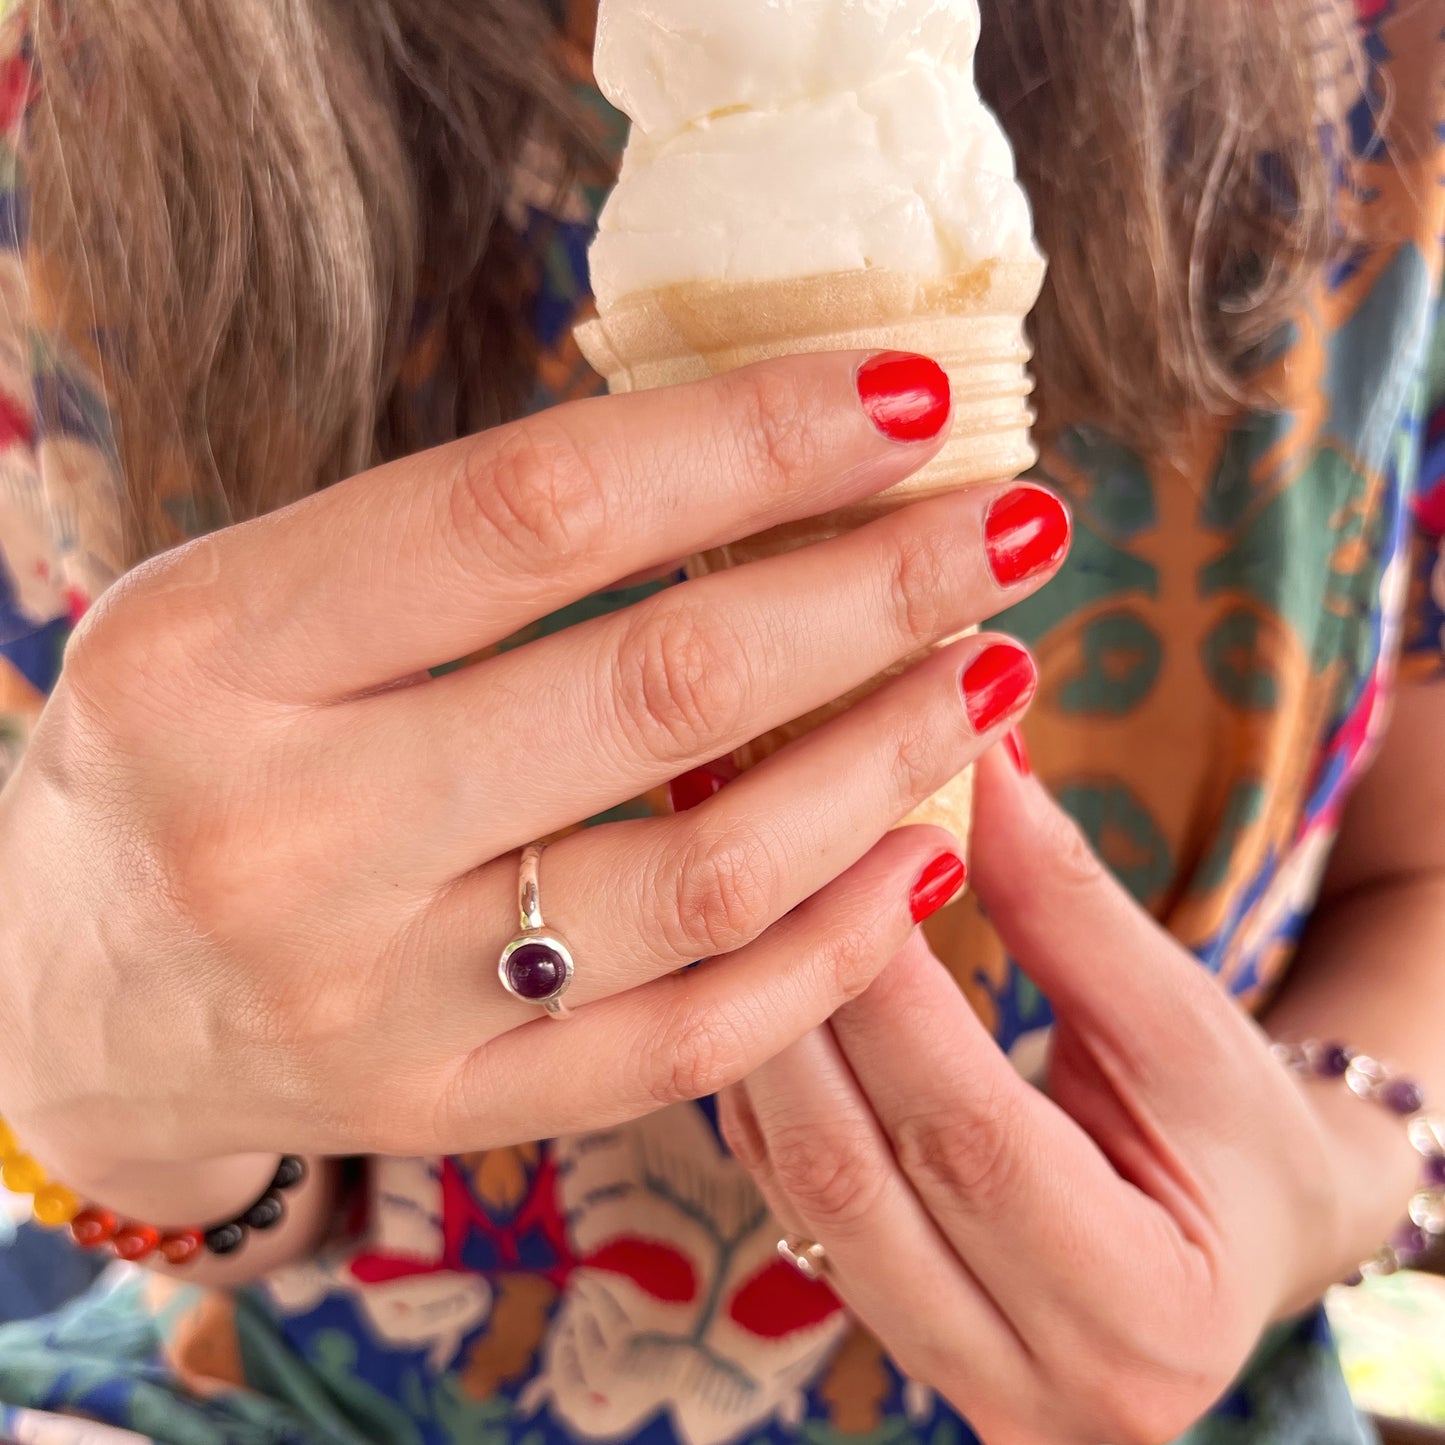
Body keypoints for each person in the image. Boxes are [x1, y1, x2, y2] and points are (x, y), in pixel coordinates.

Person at [0, 0, 1440, 1442]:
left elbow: (1420, 870)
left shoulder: (1394, 62)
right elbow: (235, 1169)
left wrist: (1317, 1172)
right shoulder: (73, 121)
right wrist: (98, 1099)